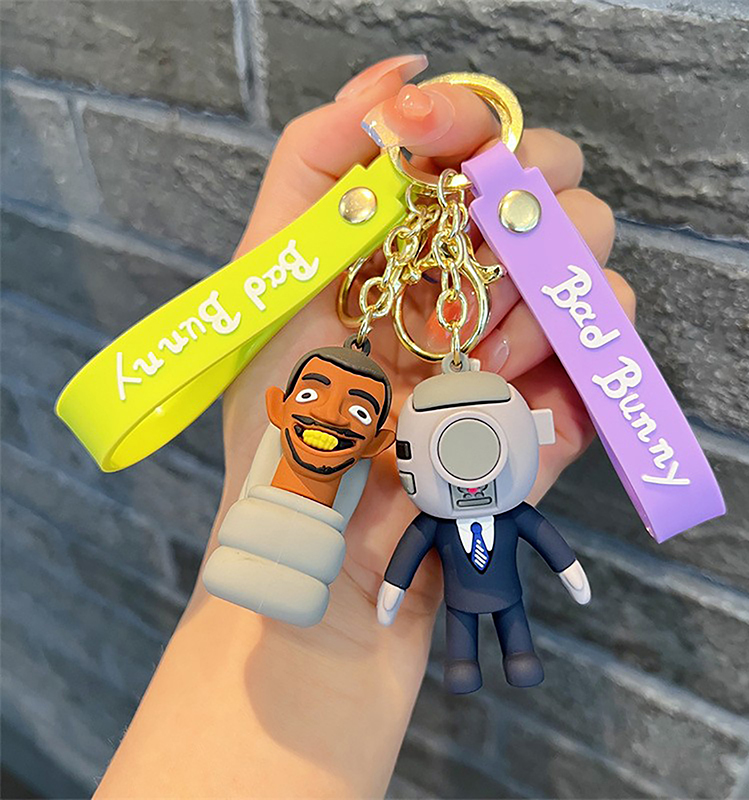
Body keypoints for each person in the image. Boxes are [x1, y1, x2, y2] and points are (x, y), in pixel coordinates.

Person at [94, 54, 634, 798]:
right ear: (280, 406)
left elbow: (493, 545)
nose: (326, 417)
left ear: (385, 441)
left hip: (354, 564)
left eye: (355, 412)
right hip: (287, 535)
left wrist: (375, 599)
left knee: (503, 628)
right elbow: (404, 545)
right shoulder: (303, 443)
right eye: (315, 396)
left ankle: (496, 653)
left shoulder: (411, 478)